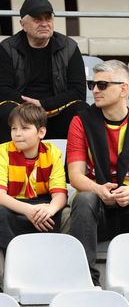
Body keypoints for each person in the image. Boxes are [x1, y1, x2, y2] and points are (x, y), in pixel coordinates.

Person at [67, 60, 129, 285]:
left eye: (102, 85)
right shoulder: (80, 122)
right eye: (92, 84)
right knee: (84, 199)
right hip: (98, 210)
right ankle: (85, 280)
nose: (95, 90)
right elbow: (75, 176)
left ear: (124, 89)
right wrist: (98, 189)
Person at [0, 0, 87, 143]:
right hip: (21, 113)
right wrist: (30, 107)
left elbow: (78, 92)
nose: (44, 24)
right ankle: (8, 158)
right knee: (5, 110)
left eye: (48, 19)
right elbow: (3, 90)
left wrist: (43, 104)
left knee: (82, 110)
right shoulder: (7, 48)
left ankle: (75, 158)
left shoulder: (69, 47)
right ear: (23, 24)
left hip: (55, 112)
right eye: (37, 20)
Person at [0, 103, 69, 252]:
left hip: (43, 207)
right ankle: (12, 260)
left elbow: (60, 194)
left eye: (24, 128)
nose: (17, 134)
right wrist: (29, 210)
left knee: (68, 215)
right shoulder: (3, 152)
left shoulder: (52, 153)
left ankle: (60, 257)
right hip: (13, 206)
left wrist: (50, 210)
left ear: (41, 132)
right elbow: (1, 196)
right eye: (13, 128)